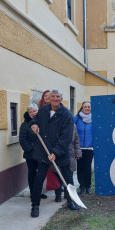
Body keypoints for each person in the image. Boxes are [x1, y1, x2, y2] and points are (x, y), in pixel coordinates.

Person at [30, 89, 79, 218]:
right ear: (49, 98)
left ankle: (71, 201)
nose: (55, 99)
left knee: (67, 178)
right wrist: (34, 124)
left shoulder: (66, 114)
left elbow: (66, 137)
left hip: (61, 152)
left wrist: (56, 152)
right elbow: (35, 120)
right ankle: (35, 205)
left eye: (58, 96)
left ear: (61, 99)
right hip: (44, 151)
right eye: (53, 96)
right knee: (39, 179)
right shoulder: (43, 110)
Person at [19, 104, 48, 200]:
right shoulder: (25, 125)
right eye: (31, 112)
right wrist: (32, 149)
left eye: (34, 111)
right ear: (28, 113)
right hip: (31, 155)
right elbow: (23, 140)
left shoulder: (43, 122)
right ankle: (33, 193)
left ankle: (38, 192)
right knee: (32, 174)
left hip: (42, 154)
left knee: (41, 174)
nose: (33, 113)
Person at [74, 101, 94, 195]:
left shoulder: (94, 119)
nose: (87, 108)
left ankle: (88, 186)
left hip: (90, 148)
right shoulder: (76, 119)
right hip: (79, 148)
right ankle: (82, 187)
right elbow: (72, 132)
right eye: (85, 107)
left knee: (88, 168)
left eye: (88, 107)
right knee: (80, 168)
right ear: (82, 108)